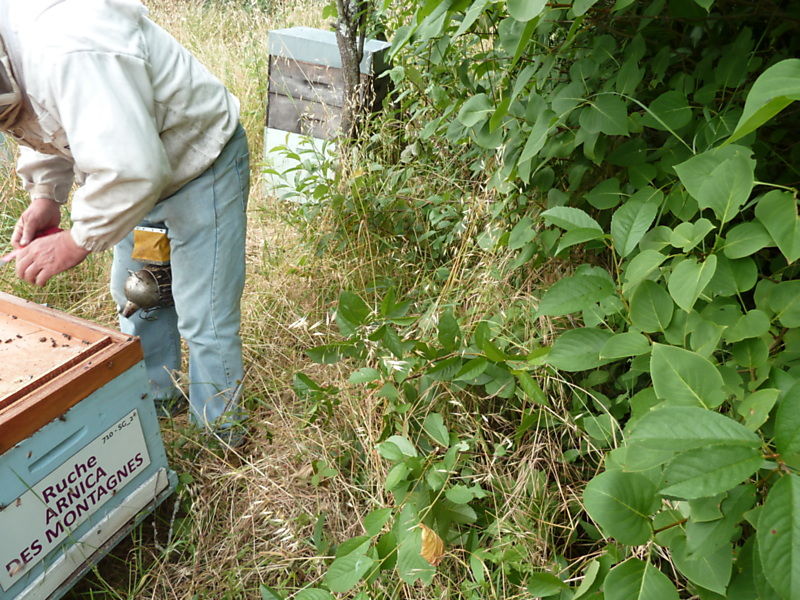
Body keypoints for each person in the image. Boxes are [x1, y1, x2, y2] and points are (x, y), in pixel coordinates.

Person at [0, 0, 249, 444]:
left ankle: (219, 436)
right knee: (139, 296)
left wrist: (76, 241)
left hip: (197, 164)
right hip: (132, 183)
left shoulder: (69, 47)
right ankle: (156, 400)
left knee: (204, 316)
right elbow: (45, 114)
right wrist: (46, 195)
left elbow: (134, 169)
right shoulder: (22, 47)